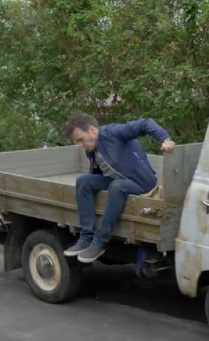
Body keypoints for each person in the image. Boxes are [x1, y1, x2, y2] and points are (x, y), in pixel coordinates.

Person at [61, 113, 175, 263]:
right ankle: (85, 237)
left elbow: (146, 123)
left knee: (117, 186)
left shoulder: (114, 132)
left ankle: (99, 242)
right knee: (84, 181)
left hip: (140, 182)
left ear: (93, 131)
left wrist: (165, 139)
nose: (80, 145)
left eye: (81, 140)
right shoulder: (91, 147)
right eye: (77, 142)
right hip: (116, 181)